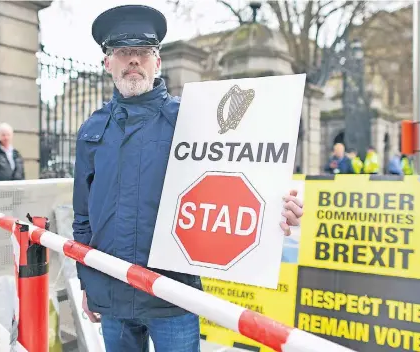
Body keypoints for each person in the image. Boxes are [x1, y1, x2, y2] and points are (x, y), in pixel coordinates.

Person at [72, 5, 304, 352]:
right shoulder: (91, 130)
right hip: (113, 296)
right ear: (108, 62)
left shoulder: (195, 118)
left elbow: (245, 173)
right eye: (123, 51)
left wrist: (276, 209)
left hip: (173, 297)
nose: (133, 60)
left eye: (143, 52)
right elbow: (82, 218)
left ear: (158, 62)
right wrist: (88, 285)